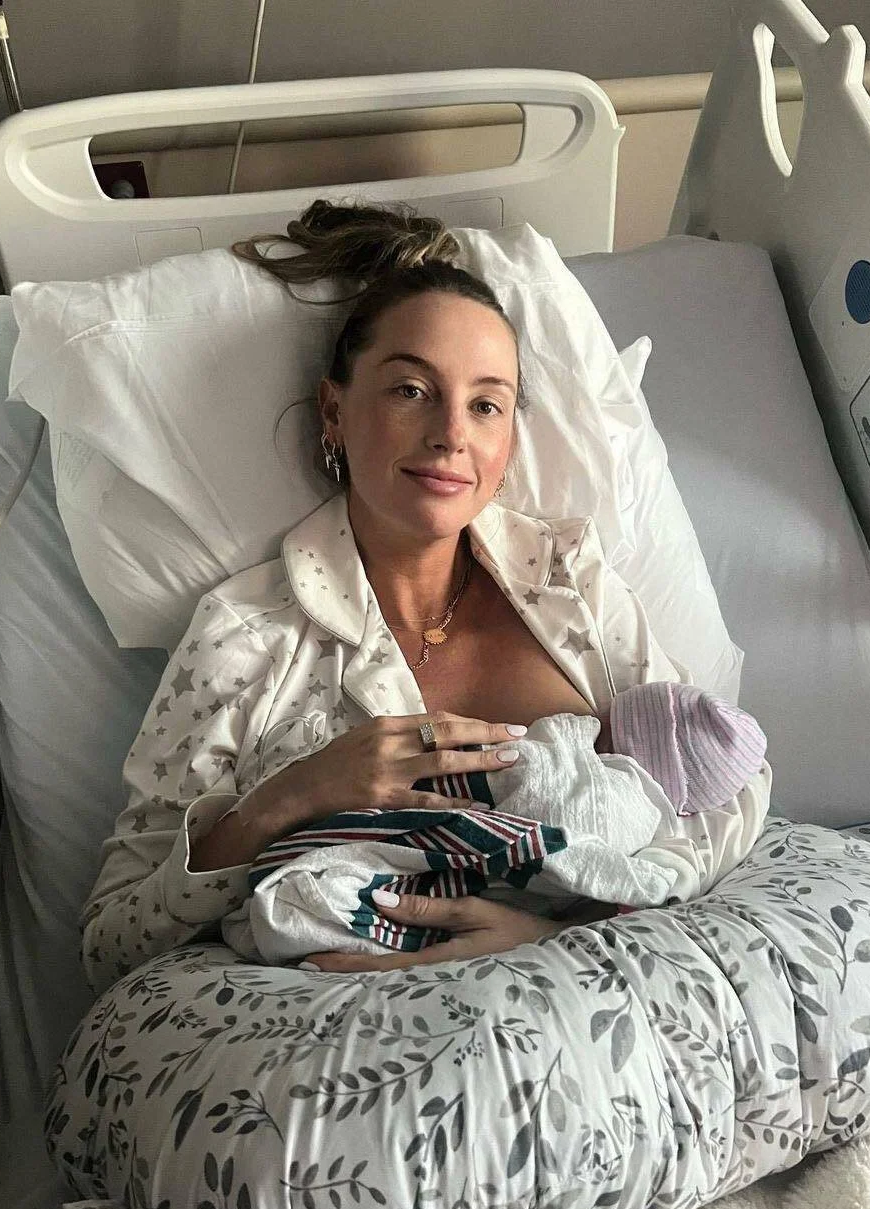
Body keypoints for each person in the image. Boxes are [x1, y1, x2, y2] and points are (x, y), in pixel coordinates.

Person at [81, 201, 771, 996]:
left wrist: (560, 937)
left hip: (585, 989)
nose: (451, 433)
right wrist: (294, 795)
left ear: (508, 441)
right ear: (334, 412)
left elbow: (723, 788)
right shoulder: (247, 636)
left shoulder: (566, 578)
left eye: (486, 405)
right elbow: (111, 944)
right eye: (411, 390)